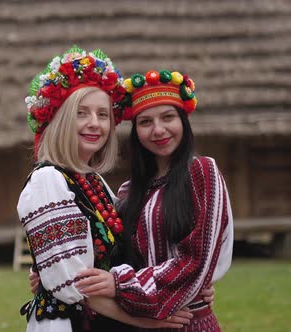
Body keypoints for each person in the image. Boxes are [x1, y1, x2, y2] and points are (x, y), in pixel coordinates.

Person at [18, 47, 193, 332]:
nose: (95, 124)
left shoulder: (93, 181)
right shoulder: (48, 181)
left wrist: (185, 285)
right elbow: (74, 285)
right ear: (61, 120)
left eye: (103, 114)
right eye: (81, 113)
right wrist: (149, 321)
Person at [74, 70, 234, 331]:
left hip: (188, 323)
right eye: (145, 122)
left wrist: (120, 284)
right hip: (141, 324)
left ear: (183, 121)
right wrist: (51, 269)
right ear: (135, 131)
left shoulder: (202, 172)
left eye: (168, 117)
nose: (158, 130)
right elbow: (105, 251)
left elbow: (196, 262)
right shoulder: (128, 193)